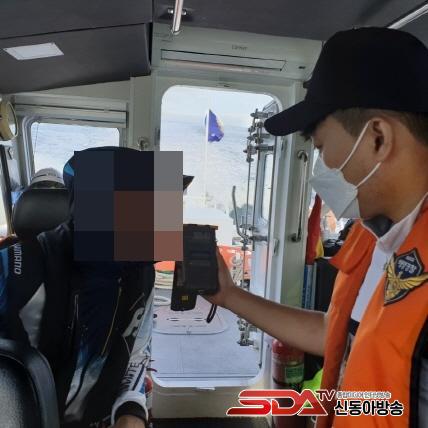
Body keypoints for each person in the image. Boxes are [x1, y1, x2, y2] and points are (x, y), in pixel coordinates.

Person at [204, 27, 428, 427]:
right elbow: (335, 333)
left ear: (377, 138)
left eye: (321, 147)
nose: (322, 167)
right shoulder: (374, 237)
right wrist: (230, 295)